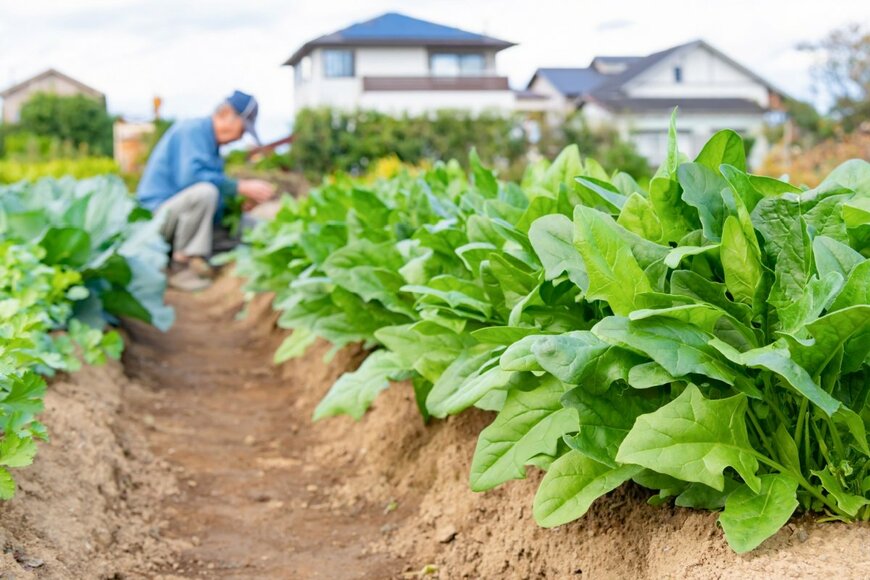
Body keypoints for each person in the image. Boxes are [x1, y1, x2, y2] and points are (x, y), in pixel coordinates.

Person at [137, 90, 276, 291]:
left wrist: (235, 205)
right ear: (227, 114)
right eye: (242, 129)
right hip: (155, 220)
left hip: (178, 220)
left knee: (250, 228)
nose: (241, 137)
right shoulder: (192, 131)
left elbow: (207, 200)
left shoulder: (213, 147)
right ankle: (181, 267)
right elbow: (191, 180)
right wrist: (239, 187)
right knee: (205, 192)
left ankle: (215, 263)